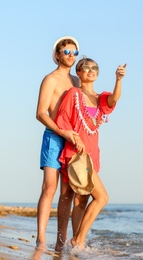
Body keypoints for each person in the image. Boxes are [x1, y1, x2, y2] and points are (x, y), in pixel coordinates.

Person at [55, 57, 127, 248]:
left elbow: (113, 100)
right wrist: (73, 138)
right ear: (78, 73)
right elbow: (62, 119)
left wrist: (118, 80)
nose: (90, 70)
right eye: (85, 67)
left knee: (81, 200)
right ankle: (79, 240)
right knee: (102, 197)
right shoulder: (73, 93)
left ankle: (76, 243)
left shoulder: (100, 98)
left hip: (92, 155)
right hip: (76, 153)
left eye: (94, 67)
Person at [35, 36, 88, 252]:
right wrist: (62, 132)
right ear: (57, 55)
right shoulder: (50, 79)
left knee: (68, 193)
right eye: (67, 52)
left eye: (75, 53)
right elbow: (40, 113)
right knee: (49, 187)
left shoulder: (77, 81)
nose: (71, 56)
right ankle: (40, 240)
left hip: (73, 141)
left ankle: (60, 241)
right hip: (54, 137)